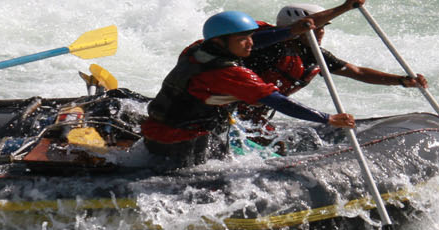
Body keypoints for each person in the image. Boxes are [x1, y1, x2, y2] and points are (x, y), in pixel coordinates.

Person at [141, 10, 356, 168]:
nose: (251, 44)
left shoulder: (196, 49)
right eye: (243, 39)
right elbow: (279, 102)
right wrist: (327, 118)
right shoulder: (231, 74)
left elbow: (259, 40)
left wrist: (290, 31)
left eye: (251, 37)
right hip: (184, 145)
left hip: (154, 136)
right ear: (221, 41)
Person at [240, 0, 426, 124]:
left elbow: (358, 72)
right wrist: (344, 7)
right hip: (230, 109)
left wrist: (401, 81)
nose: (321, 32)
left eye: (323, 27)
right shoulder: (266, 45)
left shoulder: (315, 55)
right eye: (316, 28)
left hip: (258, 114)